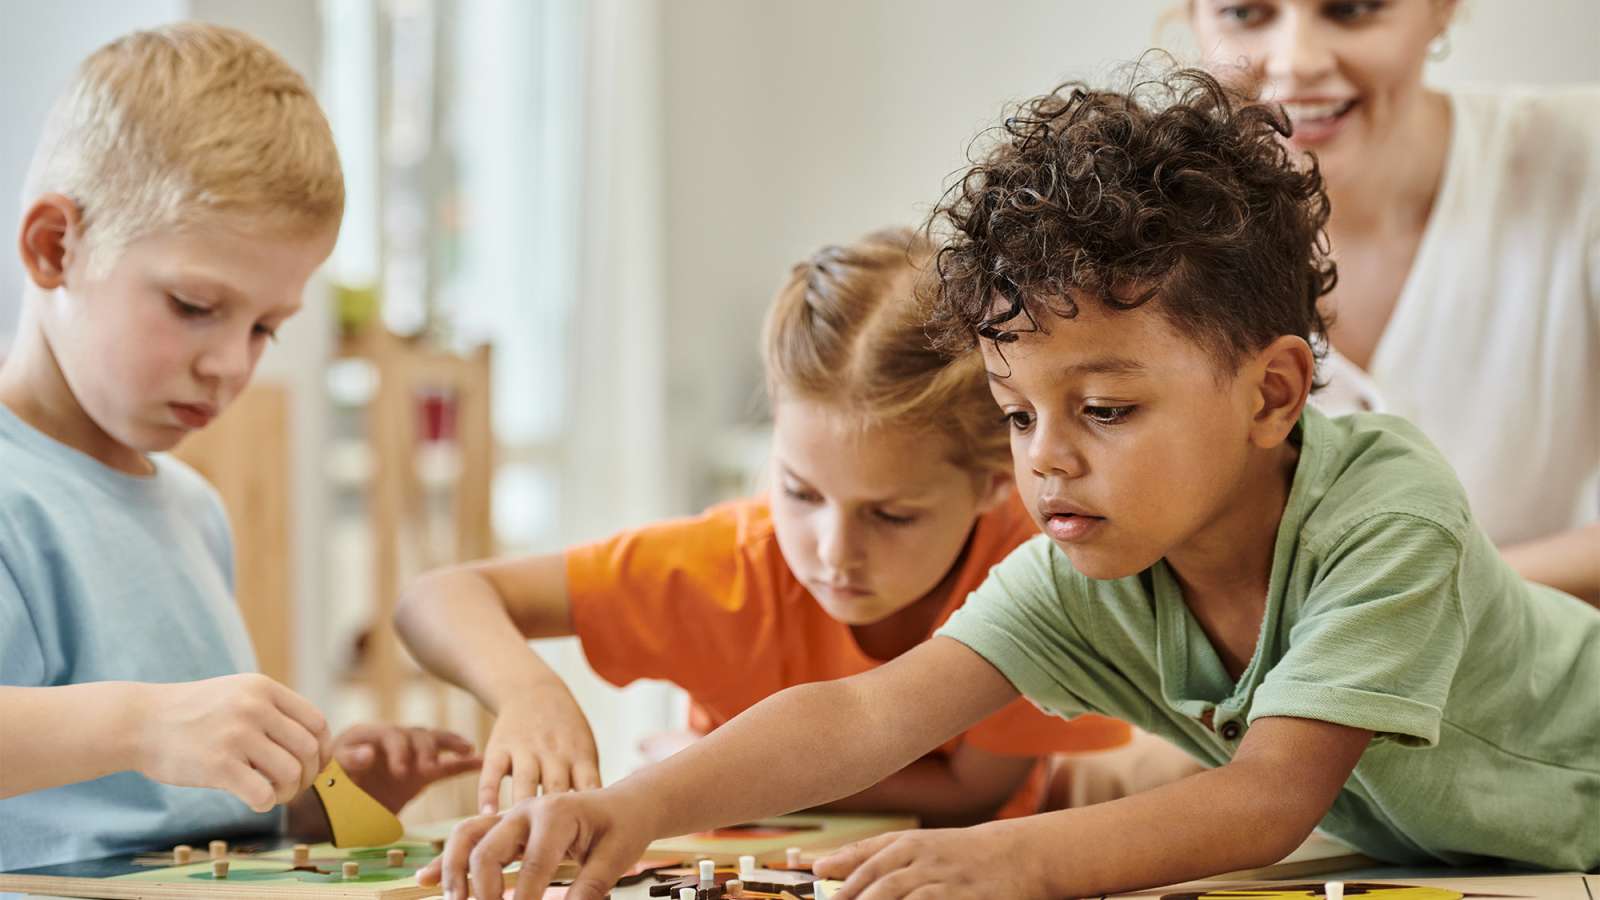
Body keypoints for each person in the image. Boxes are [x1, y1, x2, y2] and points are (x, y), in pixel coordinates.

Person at [420, 70, 1600, 900]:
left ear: (1273, 394)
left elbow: (1266, 800)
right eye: (1018, 413)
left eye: (1106, 410)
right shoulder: (1091, 568)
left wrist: (1016, 860)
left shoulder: (1385, 508)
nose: (1045, 459)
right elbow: (864, 715)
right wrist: (625, 816)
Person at [395, 227, 1129, 827]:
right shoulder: (726, 565)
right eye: (799, 492)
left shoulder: (1039, 567)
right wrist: (531, 694)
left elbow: (978, 794)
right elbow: (435, 599)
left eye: (891, 515)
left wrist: (716, 773)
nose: (834, 552)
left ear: (994, 482)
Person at [0, 23, 478, 873]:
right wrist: (144, 725)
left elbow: (183, 817)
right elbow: (133, 749)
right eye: (193, 305)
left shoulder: (195, 509)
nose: (230, 365)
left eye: (265, 327)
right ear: (53, 248)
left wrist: (309, 797)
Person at [1188, 0, 1600, 602]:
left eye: (1351, 9)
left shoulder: (1581, 159)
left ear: (1441, 11)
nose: (1297, 61)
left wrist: (1392, 598)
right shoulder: (1151, 235)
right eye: (1246, 14)